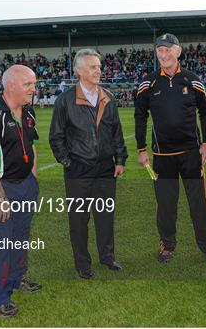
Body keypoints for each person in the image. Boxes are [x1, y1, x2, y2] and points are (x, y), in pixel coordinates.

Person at [134, 33, 206, 267]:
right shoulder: (148, 83)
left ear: (178, 51)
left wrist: (205, 144)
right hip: (162, 156)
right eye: (159, 51)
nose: (163, 54)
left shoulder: (192, 81)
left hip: (191, 154)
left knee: (199, 203)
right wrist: (141, 149)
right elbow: (140, 116)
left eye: (167, 49)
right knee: (166, 204)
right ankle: (167, 244)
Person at [49, 48, 128, 279]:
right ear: (79, 71)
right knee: (79, 219)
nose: (98, 71)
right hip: (78, 169)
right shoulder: (65, 100)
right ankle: (82, 263)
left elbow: (116, 133)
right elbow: (56, 136)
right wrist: (67, 161)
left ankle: (107, 257)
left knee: (105, 216)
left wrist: (120, 159)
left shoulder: (108, 97)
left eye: (99, 67)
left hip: (105, 168)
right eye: (93, 67)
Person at [0, 64, 42, 317]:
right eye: (28, 85)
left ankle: (17, 280)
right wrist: (0, 197)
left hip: (25, 186)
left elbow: (31, 145)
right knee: (1, 244)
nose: (33, 89)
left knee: (21, 238)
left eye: (34, 84)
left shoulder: (28, 110)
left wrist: (33, 179)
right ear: (11, 85)